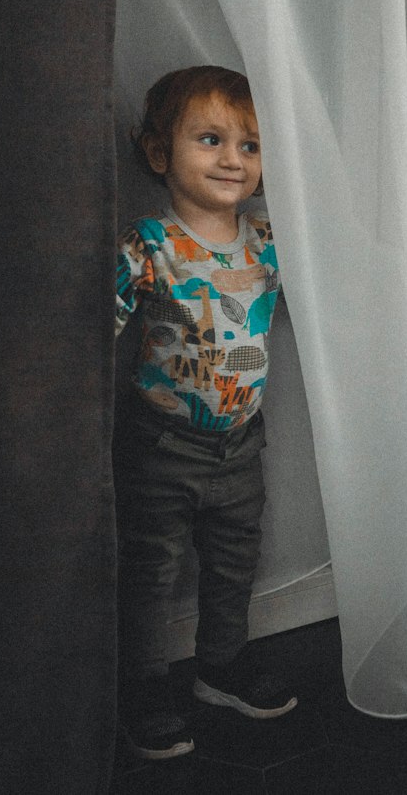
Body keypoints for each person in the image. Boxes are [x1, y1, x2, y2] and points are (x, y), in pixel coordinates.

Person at [113, 65, 297, 760]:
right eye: (212, 139)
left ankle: (220, 668)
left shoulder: (266, 241)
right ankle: (142, 685)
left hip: (241, 444)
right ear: (160, 154)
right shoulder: (149, 245)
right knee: (150, 570)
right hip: (162, 443)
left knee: (233, 562)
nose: (232, 160)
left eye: (250, 146)